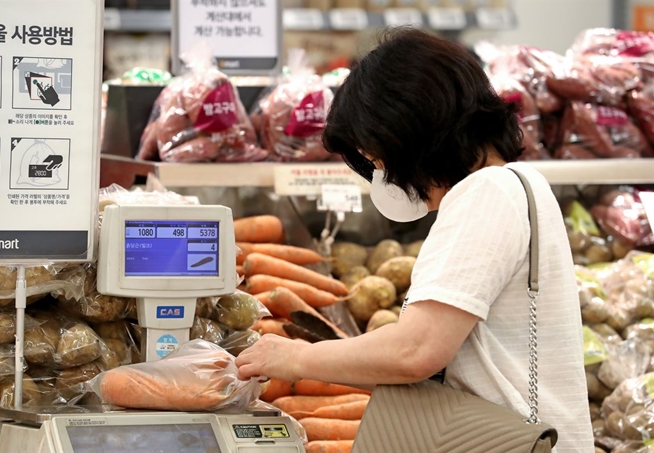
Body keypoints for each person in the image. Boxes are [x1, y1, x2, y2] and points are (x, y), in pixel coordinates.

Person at [236, 28, 593, 453]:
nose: (383, 175)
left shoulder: (485, 194)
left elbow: (416, 352)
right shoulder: (521, 185)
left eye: (378, 158)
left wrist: (293, 357)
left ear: (411, 132)